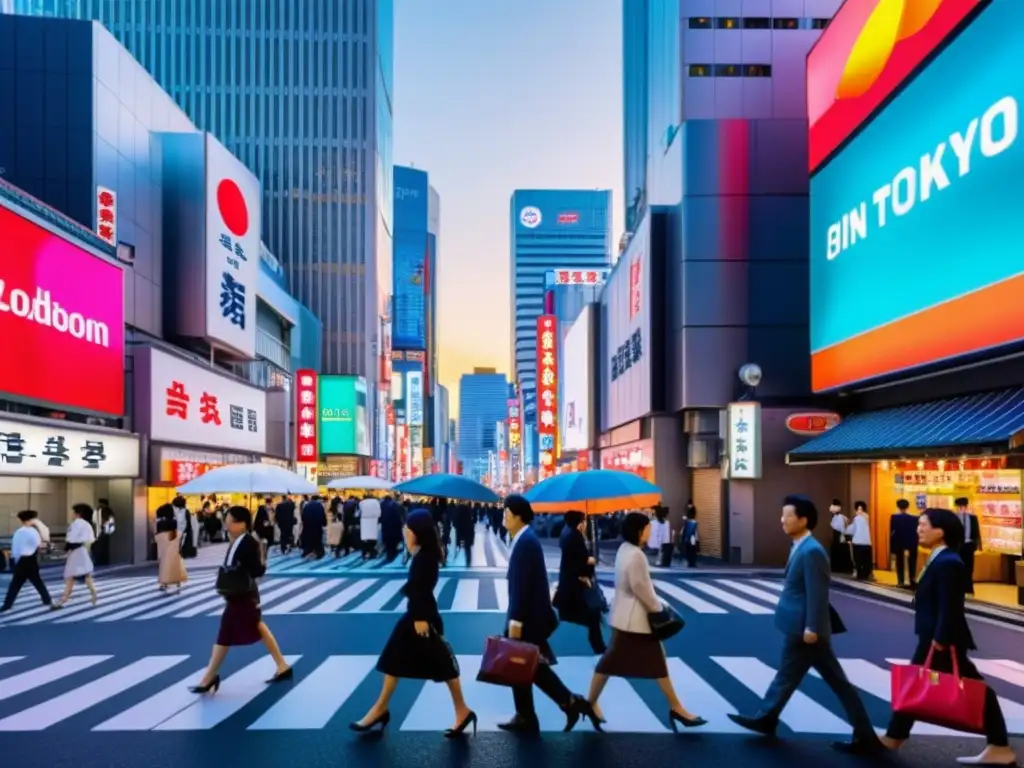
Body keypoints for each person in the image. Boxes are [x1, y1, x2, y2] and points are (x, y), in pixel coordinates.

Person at [727, 494, 881, 755]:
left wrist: (812, 627)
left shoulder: (812, 551)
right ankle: (767, 717)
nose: (782, 520)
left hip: (805, 629)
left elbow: (818, 593)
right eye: (783, 515)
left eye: (788, 516)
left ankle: (863, 733)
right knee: (795, 675)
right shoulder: (799, 545)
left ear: (803, 520)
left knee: (825, 680)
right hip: (798, 626)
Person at [879, 508, 1016, 765]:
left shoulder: (948, 562)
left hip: (941, 638)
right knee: (946, 683)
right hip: (936, 635)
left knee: (921, 682)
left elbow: (950, 605)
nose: (918, 529)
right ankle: (999, 746)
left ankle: (894, 736)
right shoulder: (940, 558)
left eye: (923, 524)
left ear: (940, 532)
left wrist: (940, 638)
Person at [351, 509, 477, 737]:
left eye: (407, 529)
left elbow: (421, 589)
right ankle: (380, 708)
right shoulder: (424, 554)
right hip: (418, 616)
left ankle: (462, 710)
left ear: (415, 532)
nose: (404, 532)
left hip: (421, 619)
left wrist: (420, 618)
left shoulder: (424, 558)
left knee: (442, 665)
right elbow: (419, 587)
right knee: (393, 662)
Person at [587, 511, 705, 730]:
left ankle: (676, 707)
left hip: (625, 616)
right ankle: (676, 708)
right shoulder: (636, 555)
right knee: (615, 662)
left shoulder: (625, 550)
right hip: (634, 620)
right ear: (639, 530)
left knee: (622, 661)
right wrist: (659, 608)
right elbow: (641, 587)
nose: (650, 532)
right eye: (647, 528)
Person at [498, 495, 596, 733]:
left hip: (528, 618)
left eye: (505, 512)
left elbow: (523, 586)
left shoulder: (526, 542)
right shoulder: (523, 539)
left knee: (525, 664)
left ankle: (556, 706)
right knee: (527, 665)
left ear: (515, 515)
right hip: (531, 615)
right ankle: (550, 708)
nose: (503, 516)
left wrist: (516, 621)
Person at [189, 506, 293, 694]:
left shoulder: (248, 542)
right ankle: (282, 665)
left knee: (227, 632)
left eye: (229, 519)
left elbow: (256, 571)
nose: (226, 522)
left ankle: (209, 677)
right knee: (252, 627)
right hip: (240, 595)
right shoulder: (239, 540)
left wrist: (261, 559)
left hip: (243, 595)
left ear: (240, 523)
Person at [552, 510, 606, 654]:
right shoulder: (575, 536)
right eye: (583, 521)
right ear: (579, 522)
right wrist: (591, 562)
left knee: (590, 616)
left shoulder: (566, 533)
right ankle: (600, 648)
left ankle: (599, 646)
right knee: (592, 615)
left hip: (569, 583)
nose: (585, 524)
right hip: (575, 585)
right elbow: (581, 561)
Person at [0, 510, 54, 612]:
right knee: (37, 581)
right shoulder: (33, 532)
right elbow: (41, 543)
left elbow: (15, 549)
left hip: (20, 560)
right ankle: (47, 600)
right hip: (31, 559)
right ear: (31, 520)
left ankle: (7, 604)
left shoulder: (18, 532)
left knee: (16, 584)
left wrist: (16, 560)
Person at [54, 504, 98, 608]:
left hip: (75, 552)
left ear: (78, 513)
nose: (72, 514)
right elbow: (91, 539)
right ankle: (93, 592)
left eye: (73, 512)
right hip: (82, 550)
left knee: (71, 575)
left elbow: (71, 539)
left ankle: (64, 598)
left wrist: (64, 550)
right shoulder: (87, 524)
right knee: (84, 574)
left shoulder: (76, 524)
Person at [154, 503, 187, 594]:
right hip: (172, 544)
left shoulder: (159, 523)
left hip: (163, 545)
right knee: (175, 564)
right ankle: (177, 582)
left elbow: (158, 535)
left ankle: (164, 583)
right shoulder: (173, 522)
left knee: (163, 564)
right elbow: (174, 535)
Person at [954, 497, 982, 595]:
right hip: (957, 546)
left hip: (969, 545)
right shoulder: (954, 518)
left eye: (963, 506)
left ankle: (969, 587)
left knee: (969, 567)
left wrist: (978, 546)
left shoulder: (972, 518)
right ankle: (958, 587)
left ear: (966, 507)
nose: (961, 509)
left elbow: (977, 532)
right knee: (958, 567)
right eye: (959, 507)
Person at [889, 499, 919, 588]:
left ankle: (901, 581)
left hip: (899, 542)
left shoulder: (894, 517)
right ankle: (912, 580)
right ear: (907, 507)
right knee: (912, 562)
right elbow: (916, 532)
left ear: (898, 507)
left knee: (900, 562)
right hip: (911, 542)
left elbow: (892, 532)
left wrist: (892, 548)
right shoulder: (914, 518)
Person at [847, 500, 873, 579]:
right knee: (866, 561)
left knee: (858, 560)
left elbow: (853, 529)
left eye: (860, 509)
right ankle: (866, 574)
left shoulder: (857, 518)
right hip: (867, 543)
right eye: (858, 509)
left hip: (858, 543)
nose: (859, 511)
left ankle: (860, 575)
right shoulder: (867, 517)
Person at [829, 500, 853, 574]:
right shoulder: (838, 517)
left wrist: (846, 538)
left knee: (840, 550)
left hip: (840, 537)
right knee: (838, 549)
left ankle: (842, 568)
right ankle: (840, 568)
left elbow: (843, 529)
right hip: (838, 537)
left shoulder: (840, 517)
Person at [300, 495, 327, 559]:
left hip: (308, 525)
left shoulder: (306, 505)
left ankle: (307, 551)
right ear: (317, 499)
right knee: (317, 539)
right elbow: (323, 516)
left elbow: (303, 516)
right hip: (317, 525)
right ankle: (319, 553)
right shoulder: (319, 506)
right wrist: (324, 523)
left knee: (309, 540)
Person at [359, 495, 382, 559]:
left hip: (364, 521)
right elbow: (379, 513)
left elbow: (358, 513)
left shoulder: (361, 503)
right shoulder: (376, 502)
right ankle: (372, 552)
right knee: (372, 538)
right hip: (374, 521)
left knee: (364, 539)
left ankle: (365, 553)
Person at [680, 503, 699, 567]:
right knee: (692, 550)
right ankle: (692, 562)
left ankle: (690, 562)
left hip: (688, 538)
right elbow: (695, 532)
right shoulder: (694, 522)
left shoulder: (687, 522)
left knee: (689, 550)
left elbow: (684, 532)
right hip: (692, 538)